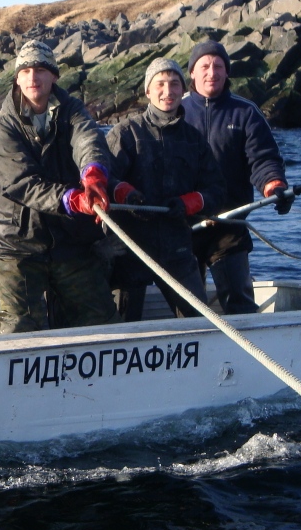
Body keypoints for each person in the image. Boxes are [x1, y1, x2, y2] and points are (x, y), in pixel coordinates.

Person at [0, 39, 119, 333]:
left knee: (99, 317)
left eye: (41, 70)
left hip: (70, 238)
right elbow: (20, 182)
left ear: (54, 76)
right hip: (15, 242)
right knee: (18, 326)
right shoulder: (2, 124)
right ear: (17, 78)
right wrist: (72, 200)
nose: (33, 77)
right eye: (26, 71)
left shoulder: (72, 109)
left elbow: (88, 139)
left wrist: (93, 173)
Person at [106, 58, 225, 321]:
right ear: (148, 91)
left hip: (177, 248)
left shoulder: (193, 139)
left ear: (182, 90)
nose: (167, 91)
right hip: (129, 248)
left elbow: (216, 191)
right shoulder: (125, 133)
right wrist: (127, 194)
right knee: (122, 327)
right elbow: (103, 179)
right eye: (160, 84)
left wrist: (189, 203)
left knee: (199, 321)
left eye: (174, 84)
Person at [181, 40, 291, 314]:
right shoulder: (175, 112)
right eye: (204, 66)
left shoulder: (246, 112)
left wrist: (274, 184)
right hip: (183, 224)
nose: (212, 72)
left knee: (239, 303)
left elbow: (262, 158)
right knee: (186, 307)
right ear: (192, 73)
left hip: (229, 222)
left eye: (218, 66)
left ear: (227, 72)